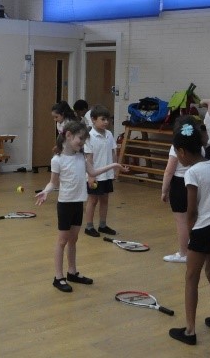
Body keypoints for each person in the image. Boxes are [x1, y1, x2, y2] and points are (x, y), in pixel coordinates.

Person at [35, 121, 128, 293]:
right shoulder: (57, 160)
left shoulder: (81, 157)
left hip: (79, 203)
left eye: (85, 140)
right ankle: (58, 277)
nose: (82, 143)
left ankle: (72, 272)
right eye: (80, 139)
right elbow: (52, 183)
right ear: (68, 135)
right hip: (65, 205)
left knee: (73, 239)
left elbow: (92, 173)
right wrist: (46, 191)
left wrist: (114, 165)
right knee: (62, 241)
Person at [168, 117, 210, 345]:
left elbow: (191, 210)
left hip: (204, 228)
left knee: (191, 277)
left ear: (183, 152)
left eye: (177, 152)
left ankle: (190, 331)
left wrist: (193, 232)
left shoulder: (192, 173)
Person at [161, 123, 208, 263]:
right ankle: (198, 251)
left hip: (180, 185)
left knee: (181, 221)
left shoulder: (176, 146)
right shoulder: (200, 148)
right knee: (195, 220)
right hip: (196, 185)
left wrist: (164, 190)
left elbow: (169, 171)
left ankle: (183, 253)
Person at [84, 105, 117, 237]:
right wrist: (91, 176)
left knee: (105, 199)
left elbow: (114, 152)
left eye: (107, 120)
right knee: (93, 200)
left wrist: (115, 169)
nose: (106, 122)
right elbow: (89, 158)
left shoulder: (109, 134)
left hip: (107, 174)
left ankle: (102, 225)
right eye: (102, 119)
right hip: (95, 175)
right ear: (93, 119)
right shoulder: (89, 136)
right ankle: (89, 226)